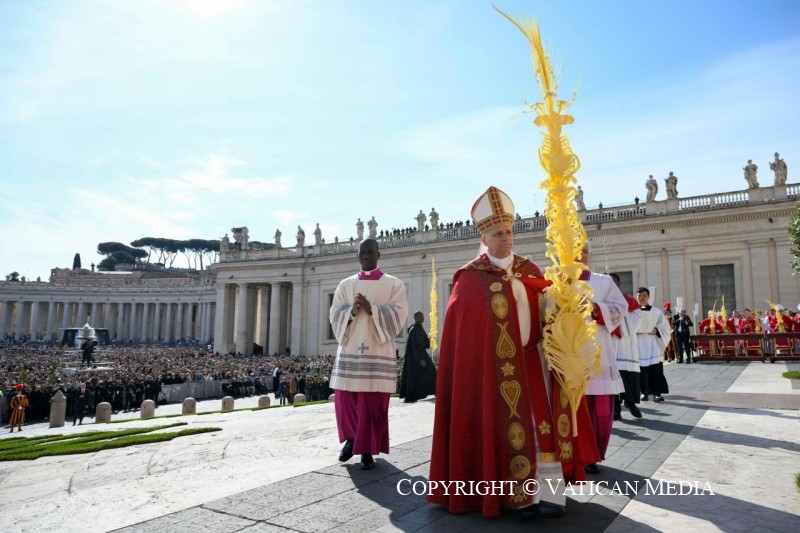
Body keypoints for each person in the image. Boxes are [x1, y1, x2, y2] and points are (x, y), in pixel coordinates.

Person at [428, 186, 598, 519]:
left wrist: (563, 304)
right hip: (493, 372)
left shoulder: (530, 270)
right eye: (497, 234)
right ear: (484, 238)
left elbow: (549, 310)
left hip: (534, 362)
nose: (505, 238)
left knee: (541, 430)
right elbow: (464, 332)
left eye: (508, 232)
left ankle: (547, 497)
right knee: (505, 430)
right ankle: (516, 498)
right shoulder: (469, 279)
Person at [329, 238, 408, 470]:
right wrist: (352, 311)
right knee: (346, 399)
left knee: (371, 402)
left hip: (377, 350)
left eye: (370, 252)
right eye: (362, 253)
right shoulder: (346, 285)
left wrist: (372, 309)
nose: (366, 256)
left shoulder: (394, 284)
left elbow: (399, 313)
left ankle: (367, 450)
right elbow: (334, 314)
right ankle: (351, 441)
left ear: (378, 255)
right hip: (350, 349)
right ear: (358, 255)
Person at [578, 245, 627, 474]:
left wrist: (596, 309)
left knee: (600, 410)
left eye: (586, 250)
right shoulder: (557, 283)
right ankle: (575, 453)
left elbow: (621, 307)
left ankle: (593, 454)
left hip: (599, 352)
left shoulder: (604, 281)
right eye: (576, 249)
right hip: (570, 354)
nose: (581, 254)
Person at [609, 273, 644, 420]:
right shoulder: (601, 299)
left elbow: (637, 317)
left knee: (627, 375)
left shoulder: (628, 299)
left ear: (619, 284)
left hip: (625, 344)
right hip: (609, 342)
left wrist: (617, 321)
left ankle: (631, 403)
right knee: (611, 376)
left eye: (614, 282)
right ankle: (615, 410)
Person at [635, 288, 671, 402]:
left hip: (652, 344)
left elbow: (665, 327)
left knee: (656, 369)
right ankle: (644, 393)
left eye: (644, 296)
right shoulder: (632, 312)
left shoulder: (656, 312)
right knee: (641, 371)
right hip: (638, 344)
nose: (641, 298)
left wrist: (657, 331)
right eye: (639, 296)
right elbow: (627, 327)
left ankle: (657, 393)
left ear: (648, 297)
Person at [398, 311, 436, 403]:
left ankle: (432, 390)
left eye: (423, 316)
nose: (423, 318)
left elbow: (423, 342)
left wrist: (429, 339)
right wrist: (421, 359)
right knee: (415, 376)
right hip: (415, 359)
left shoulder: (419, 328)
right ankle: (412, 395)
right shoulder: (414, 330)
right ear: (416, 318)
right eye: (421, 317)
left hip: (420, 355)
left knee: (432, 370)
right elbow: (415, 346)